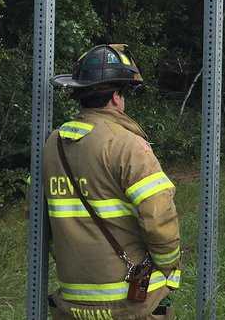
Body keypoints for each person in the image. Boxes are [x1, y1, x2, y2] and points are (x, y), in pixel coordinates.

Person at [44, 44, 181, 319]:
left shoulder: (52, 144)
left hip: (72, 300)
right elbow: (159, 216)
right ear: (117, 97)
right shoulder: (127, 145)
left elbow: (36, 215)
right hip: (129, 302)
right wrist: (169, 269)